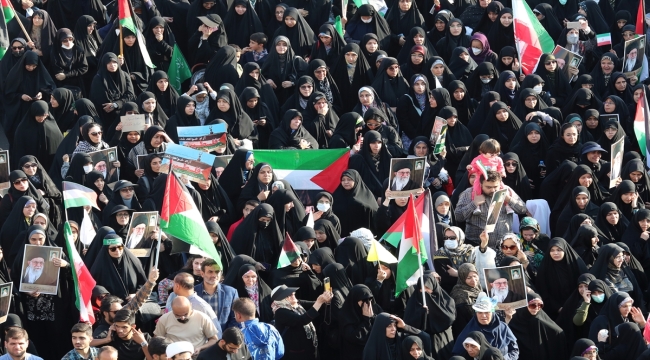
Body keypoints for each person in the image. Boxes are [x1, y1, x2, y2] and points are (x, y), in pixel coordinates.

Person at [455, 170, 527, 247]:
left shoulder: (507, 191)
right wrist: (474, 204)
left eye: (495, 187)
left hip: (504, 246)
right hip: (477, 244)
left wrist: (509, 199)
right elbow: (458, 217)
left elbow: (523, 210)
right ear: (481, 184)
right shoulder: (469, 193)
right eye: (488, 187)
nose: (492, 190)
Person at [452, 293, 519, 359]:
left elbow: (514, 351)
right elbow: (458, 353)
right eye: (480, 312)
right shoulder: (470, 330)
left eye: (487, 312)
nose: (483, 316)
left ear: (492, 313)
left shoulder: (503, 328)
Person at [154, 297, 219, 353]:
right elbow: (156, 341)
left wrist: (201, 348)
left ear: (191, 306)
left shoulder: (203, 318)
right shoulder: (164, 319)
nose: (182, 318)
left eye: (185, 314)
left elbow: (214, 340)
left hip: (197, 356)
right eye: (177, 315)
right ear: (172, 309)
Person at [196, 258, 239, 330]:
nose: (214, 275)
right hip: (199, 337)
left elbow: (235, 319)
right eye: (210, 272)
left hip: (223, 338)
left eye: (217, 271)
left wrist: (226, 338)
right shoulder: (194, 292)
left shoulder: (231, 292)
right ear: (202, 273)